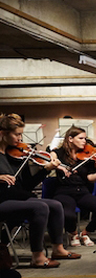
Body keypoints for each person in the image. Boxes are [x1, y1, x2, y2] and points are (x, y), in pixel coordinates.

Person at [0, 114, 80, 268]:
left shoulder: (16, 156)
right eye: (16, 134)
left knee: (55, 205)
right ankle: (37, 256)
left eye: (21, 134)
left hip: (17, 198)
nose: (20, 138)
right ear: (2, 133)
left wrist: (45, 170)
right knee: (40, 206)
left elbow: (28, 185)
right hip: (3, 201)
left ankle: (58, 249)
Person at [50, 126, 96, 247]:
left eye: (85, 138)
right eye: (81, 138)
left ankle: (85, 233)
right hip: (64, 191)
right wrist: (60, 167)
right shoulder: (58, 153)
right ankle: (73, 233)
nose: (84, 141)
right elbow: (51, 161)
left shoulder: (87, 156)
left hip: (82, 191)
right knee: (68, 215)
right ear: (70, 139)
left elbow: (90, 178)